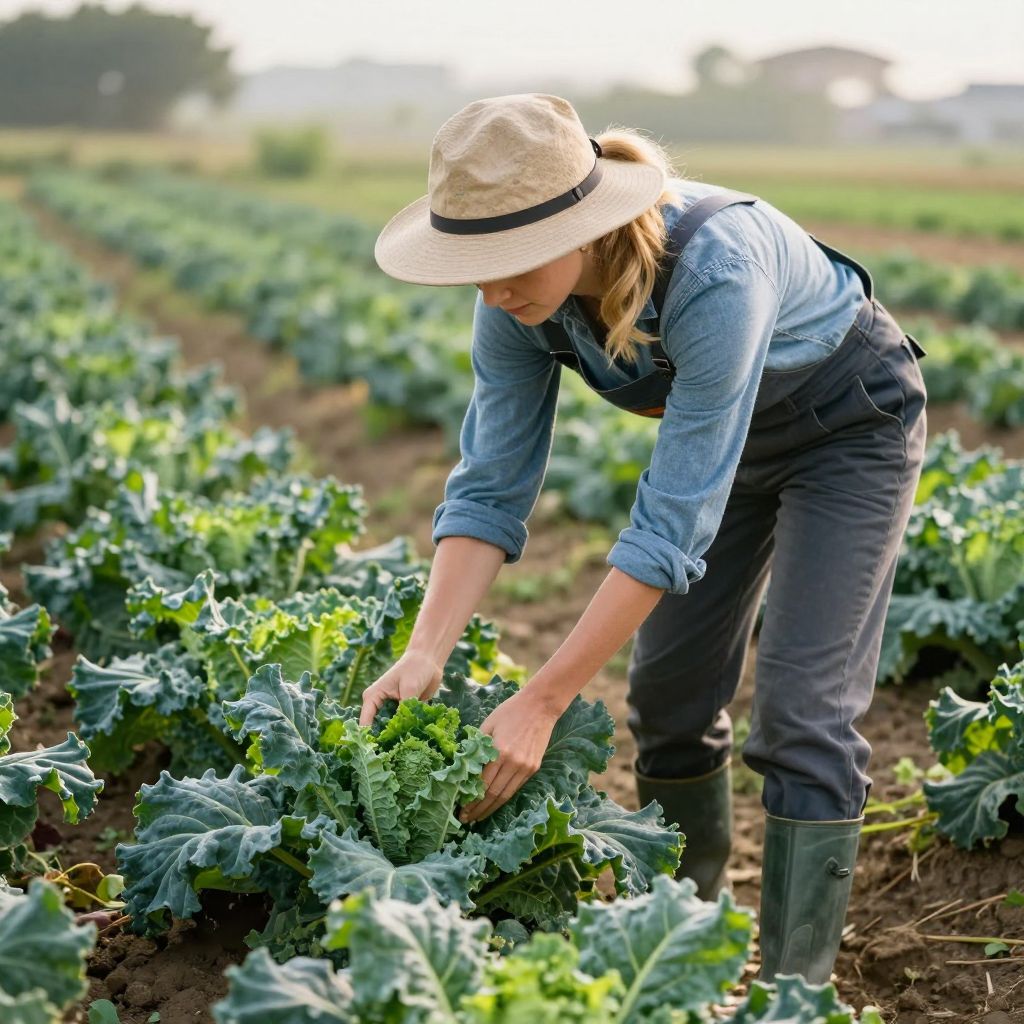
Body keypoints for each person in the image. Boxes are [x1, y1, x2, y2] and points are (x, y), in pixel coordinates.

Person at [364, 92, 927, 984]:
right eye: (473, 264)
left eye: (510, 260)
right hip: (727, 447)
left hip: (849, 428)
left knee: (802, 713)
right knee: (666, 698)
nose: (492, 288)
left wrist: (543, 702)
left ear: (583, 229)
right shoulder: (514, 307)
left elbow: (671, 525)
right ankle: (686, 949)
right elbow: (488, 487)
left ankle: (793, 989)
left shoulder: (714, 273)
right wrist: (426, 649)